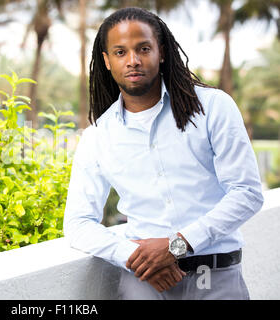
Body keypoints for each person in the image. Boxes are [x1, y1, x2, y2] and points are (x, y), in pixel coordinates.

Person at [63, 7, 264, 300]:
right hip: (145, 282)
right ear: (106, 61)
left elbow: (247, 192)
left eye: (143, 48)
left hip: (215, 278)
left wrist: (176, 246)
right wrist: (135, 255)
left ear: (162, 52)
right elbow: (78, 223)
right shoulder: (98, 136)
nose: (132, 60)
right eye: (120, 52)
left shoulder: (212, 108)